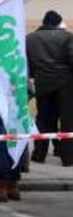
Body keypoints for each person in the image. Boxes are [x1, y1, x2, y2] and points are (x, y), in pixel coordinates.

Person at [27, 11, 73, 165]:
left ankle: (39, 155)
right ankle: (68, 158)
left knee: (44, 119)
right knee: (67, 120)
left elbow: (26, 61)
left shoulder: (31, 38)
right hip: (65, 85)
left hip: (43, 83)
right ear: (58, 22)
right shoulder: (67, 37)